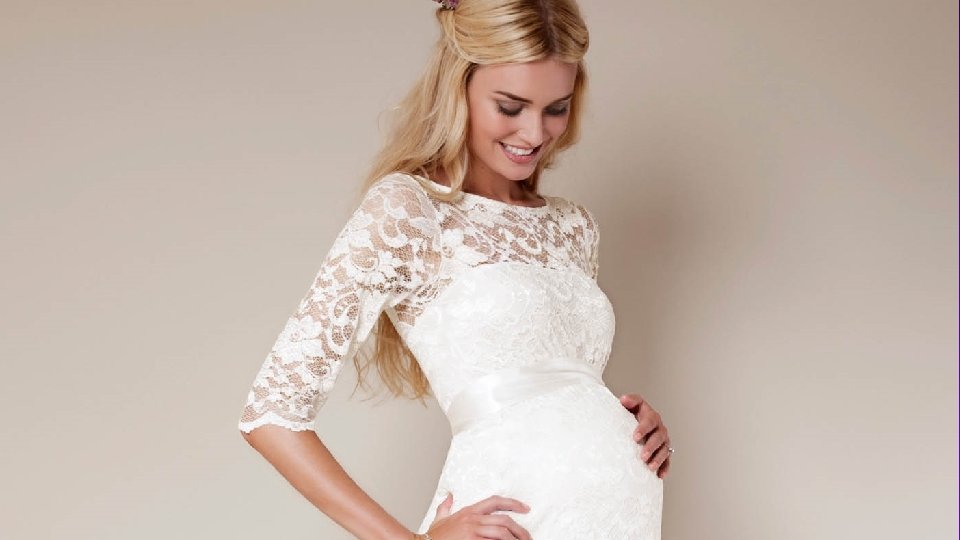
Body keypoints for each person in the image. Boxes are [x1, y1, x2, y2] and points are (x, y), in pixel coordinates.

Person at [238, 0, 673, 538]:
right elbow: (270, 413)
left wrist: (624, 422)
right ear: (458, 87)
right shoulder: (408, 210)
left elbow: (552, 386)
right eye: (510, 107)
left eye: (556, 108)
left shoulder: (573, 226)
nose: (534, 133)